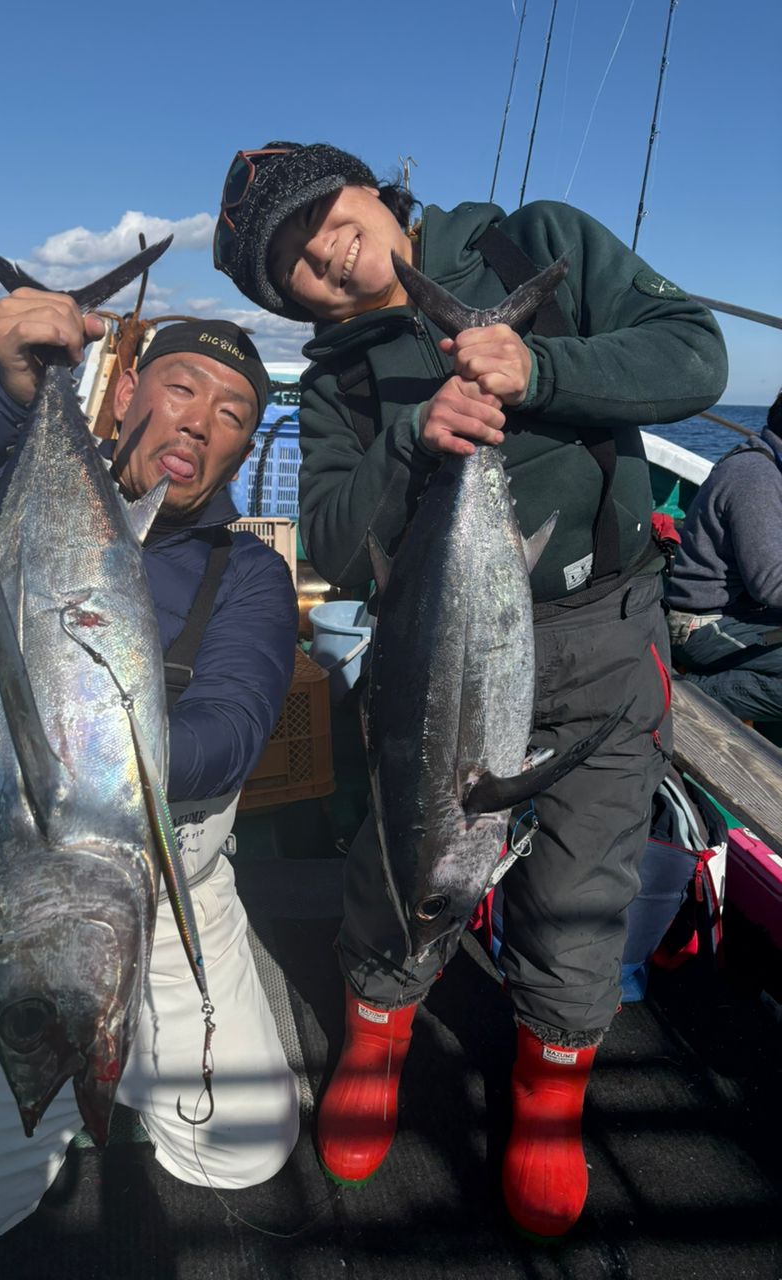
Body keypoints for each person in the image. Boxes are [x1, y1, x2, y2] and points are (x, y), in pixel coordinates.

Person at [212, 141, 728, 1238]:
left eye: (324, 212)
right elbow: (336, 543)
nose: (329, 253)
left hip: (598, 629)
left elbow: (695, 357)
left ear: (372, 189)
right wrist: (413, 436)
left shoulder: (534, 240)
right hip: (433, 650)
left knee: (585, 877)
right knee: (402, 850)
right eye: (296, 265)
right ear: (292, 301)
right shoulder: (340, 379)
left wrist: (541, 370)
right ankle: (377, 1031)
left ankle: (550, 1094)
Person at [0, 294, 302, 1244]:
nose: (200, 422)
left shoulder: (244, 575)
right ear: (125, 391)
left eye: (233, 415)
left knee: (243, 1149)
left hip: (178, 889)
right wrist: (4, 388)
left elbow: (235, 729)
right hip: (8, 892)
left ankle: (137, 1027)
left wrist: (95, 744)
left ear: (243, 452)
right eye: (181, 388)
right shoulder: (6, 494)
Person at [665, 389, 782, 723]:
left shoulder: (771, 464)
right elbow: (771, 585)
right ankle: (683, 701)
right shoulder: (756, 476)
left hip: (743, 612)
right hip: (702, 622)